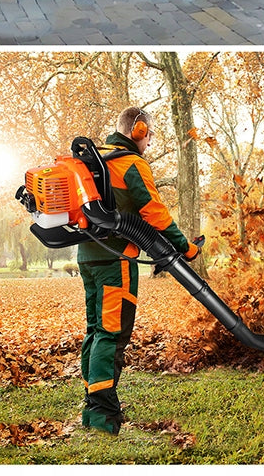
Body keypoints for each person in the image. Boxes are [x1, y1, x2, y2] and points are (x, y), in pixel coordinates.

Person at [77, 106, 201, 435]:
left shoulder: (95, 157)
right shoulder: (131, 163)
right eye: (150, 135)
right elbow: (154, 212)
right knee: (112, 334)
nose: (150, 142)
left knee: (95, 330)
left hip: (87, 256)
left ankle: (93, 407)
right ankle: (104, 414)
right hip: (116, 258)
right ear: (140, 130)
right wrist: (186, 247)